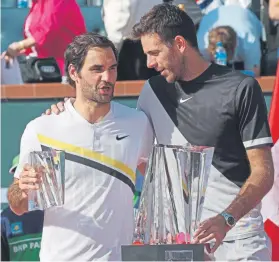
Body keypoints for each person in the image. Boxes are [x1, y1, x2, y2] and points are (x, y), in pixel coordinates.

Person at [47, 4, 275, 260]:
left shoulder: (241, 88)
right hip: (184, 246)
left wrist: (226, 218)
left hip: (240, 241)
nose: (149, 63)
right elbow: (132, 146)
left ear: (179, 43)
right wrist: (63, 110)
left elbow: (263, 173)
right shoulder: (152, 91)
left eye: (154, 52)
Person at [7, 32, 153, 261]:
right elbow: (18, 205)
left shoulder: (138, 124)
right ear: (74, 72)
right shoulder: (42, 128)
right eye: (97, 69)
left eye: (112, 68)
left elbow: (158, 186)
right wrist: (22, 189)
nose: (108, 77)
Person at [1, 0, 86, 75]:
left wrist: (19, 45)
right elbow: (36, 40)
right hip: (44, 66)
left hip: (66, 66)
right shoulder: (37, 3)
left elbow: (48, 30)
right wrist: (16, 52)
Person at [197, 5, 264, 76]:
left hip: (248, 17)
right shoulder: (201, 45)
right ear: (210, 50)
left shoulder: (250, 42)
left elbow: (254, 76)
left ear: (235, 45)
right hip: (212, 15)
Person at [1, 155, 44, 261]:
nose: (24, 180)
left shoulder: (51, 213)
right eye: (19, 174)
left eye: (28, 173)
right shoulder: (5, 218)